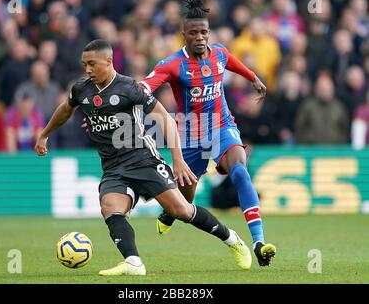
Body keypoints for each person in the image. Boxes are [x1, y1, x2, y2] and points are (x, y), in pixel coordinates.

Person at [35, 39, 253, 276]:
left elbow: (165, 119)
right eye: (84, 64)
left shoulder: (130, 88)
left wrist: (178, 160)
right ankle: (133, 263)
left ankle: (232, 239)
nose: (87, 70)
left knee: (181, 211)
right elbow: (66, 108)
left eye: (91, 64)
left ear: (108, 61)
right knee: (110, 207)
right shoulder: (81, 89)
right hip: (112, 167)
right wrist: (45, 134)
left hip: (143, 160)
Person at [139, 0, 276, 266]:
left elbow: (232, 62)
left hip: (222, 126)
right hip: (190, 136)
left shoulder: (220, 53)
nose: (200, 37)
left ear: (208, 32)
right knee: (183, 202)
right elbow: (144, 86)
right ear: (184, 35)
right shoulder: (172, 64)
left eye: (204, 32)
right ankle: (171, 213)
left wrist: (253, 77)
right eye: (193, 33)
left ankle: (258, 241)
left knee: (239, 170)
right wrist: (119, 100)